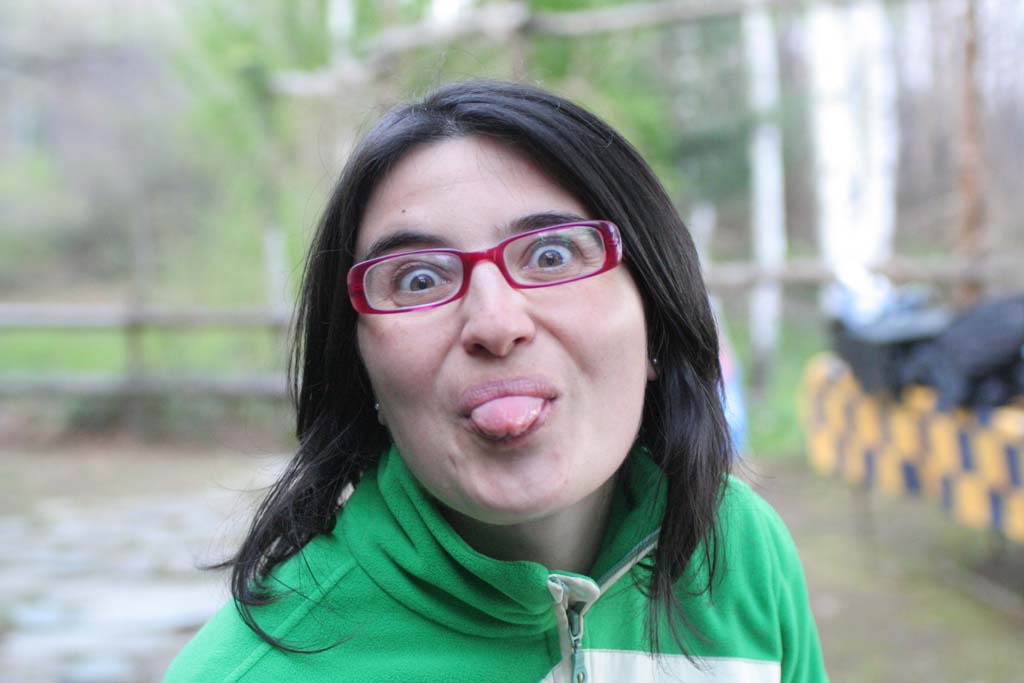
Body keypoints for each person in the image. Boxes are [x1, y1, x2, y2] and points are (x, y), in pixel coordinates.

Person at [167, 80, 827, 682]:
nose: (494, 322)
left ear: (655, 317)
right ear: (360, 367)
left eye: (552, 254)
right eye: (418, 279)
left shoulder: (738, 550)